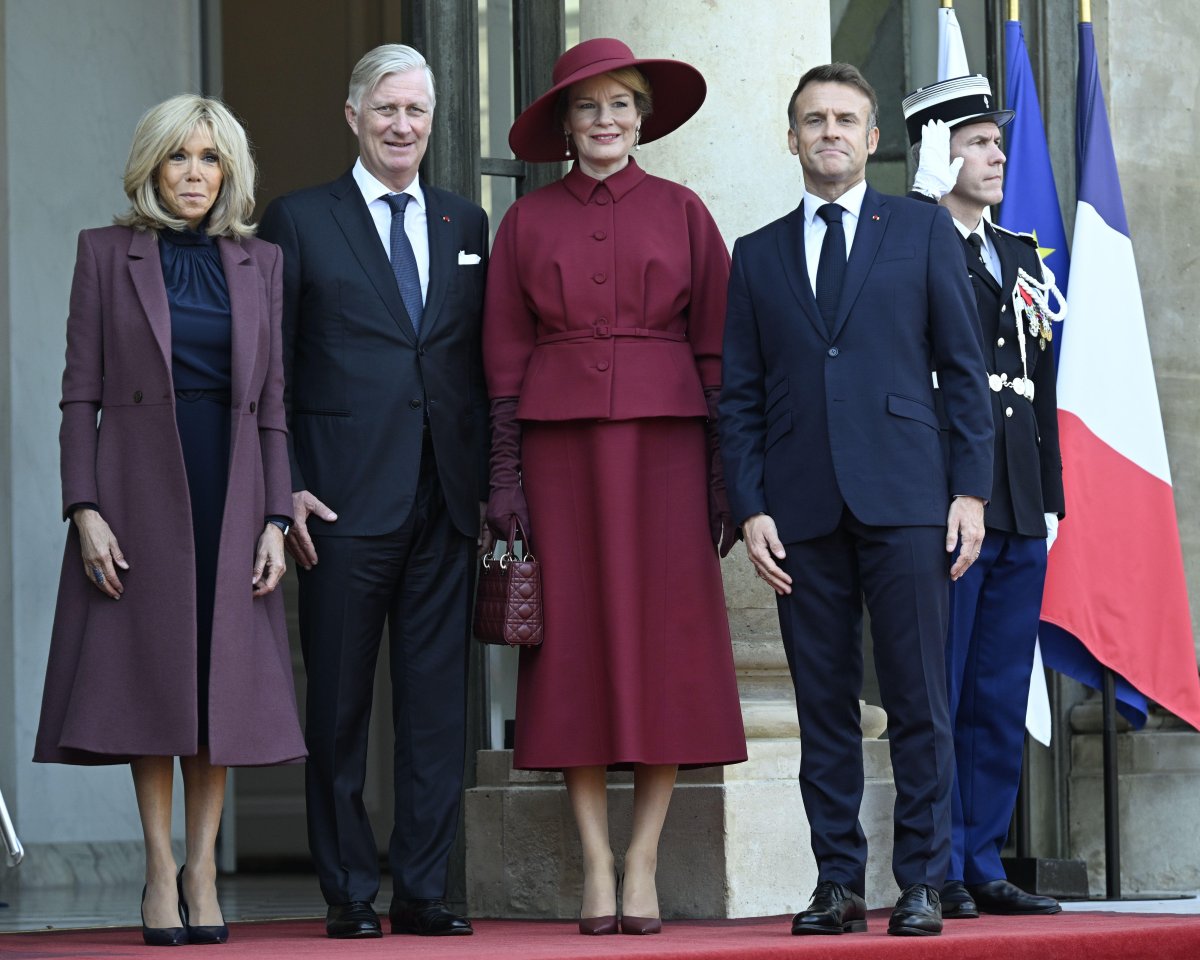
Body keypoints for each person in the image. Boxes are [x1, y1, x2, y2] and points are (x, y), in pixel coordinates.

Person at [720, 62, 995, 937]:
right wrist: (750, 506)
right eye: (813, 119)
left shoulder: (920, 233)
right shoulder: (756, 254)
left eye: (845, 119)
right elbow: (740, 395)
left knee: (918, 700)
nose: (829, 132)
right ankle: (836, 882)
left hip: (911, 500)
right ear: (791, 137)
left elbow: (965, 374)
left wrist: (970, 492)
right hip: (799, 513)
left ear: (873, 140)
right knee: (821, 706)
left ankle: (920, 880)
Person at [483, 37, 746, 937]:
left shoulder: (683, 211)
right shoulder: (524, 222)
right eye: (589, 106)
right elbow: (504, 361)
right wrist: (504, 479)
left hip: (669, 452)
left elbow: (717, 349)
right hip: (558, 461)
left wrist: (723, 474)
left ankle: (643, 863)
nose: (607, 120)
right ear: (565, 123)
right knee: (573, 657)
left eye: (622, 104)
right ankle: (595, 862)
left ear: (643, 117)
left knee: (664, 655)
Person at [34, 94, 306, 946]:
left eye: (212, 158)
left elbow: (274, 406)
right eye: (180, 158)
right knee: (156, 679)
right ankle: (159, 870)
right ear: (152, 167)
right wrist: (84, 508)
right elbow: (79, 394)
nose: (196, 174)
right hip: (138, 491)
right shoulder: (105, 254)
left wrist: (272, 515)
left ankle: (202, 869)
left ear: (231, 171)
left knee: (218, 678)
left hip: (231, 489)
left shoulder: (263, 263)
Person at [257, 44, 490, 940]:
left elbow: (471, 360)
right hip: (341, 504)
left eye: (417, 113)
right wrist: (289, 488)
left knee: (435, 710)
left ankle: (424, 889)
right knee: (341, 706)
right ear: (352, 115)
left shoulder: (466, 222)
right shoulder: (299, 220)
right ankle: (350, 888)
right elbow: (269, 368)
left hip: (445, 498)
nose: (403, 126)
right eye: (386, 109)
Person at [902, 75, 1065, 919]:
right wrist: (927, 209)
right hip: (944, 500)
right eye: (976, 142)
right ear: (936, 152)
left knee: (998, 689)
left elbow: (1036, 382)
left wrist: (1053, 498)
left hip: (1017, 501)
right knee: (946, 688)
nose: (998, 155)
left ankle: (983, 852)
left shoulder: (1020, 252)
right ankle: (941, 866)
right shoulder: (912, 241)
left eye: (998, 142)